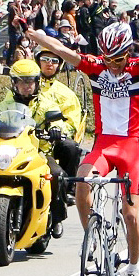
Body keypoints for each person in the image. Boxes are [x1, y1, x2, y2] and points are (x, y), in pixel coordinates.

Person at [26, 13, 139, 276]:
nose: (112, 65)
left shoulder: (138, 69)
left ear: (127, 53)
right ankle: (93, 237)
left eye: (117, 60)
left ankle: (133, 268)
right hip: (103, 145)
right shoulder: (95, 68)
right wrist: (36, 35)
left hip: (131, 146)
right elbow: (62, 51)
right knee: (82, 183)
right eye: (107, 59)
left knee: (130, 214)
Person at [0, 59, 70, 238]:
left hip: (38, 153)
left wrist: (56, 129)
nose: (26, 86)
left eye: (30, 81)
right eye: (22, 81)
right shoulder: (6, 105)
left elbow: (58, 120)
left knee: (56, 174)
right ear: (14, 83)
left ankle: (56, 218)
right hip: (12, 152)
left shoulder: (45, 104)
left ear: (37, 82)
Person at [35, 49, 82, 201]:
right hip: (26, 139)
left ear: (60, 65)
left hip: (52, 141)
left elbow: (72, 122)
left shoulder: (66, 94)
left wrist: (57, 131)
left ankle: (67, 189)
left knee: (71, 147)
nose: (49, 63)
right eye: (45, 59)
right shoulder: (24, 87)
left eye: (54, 61)